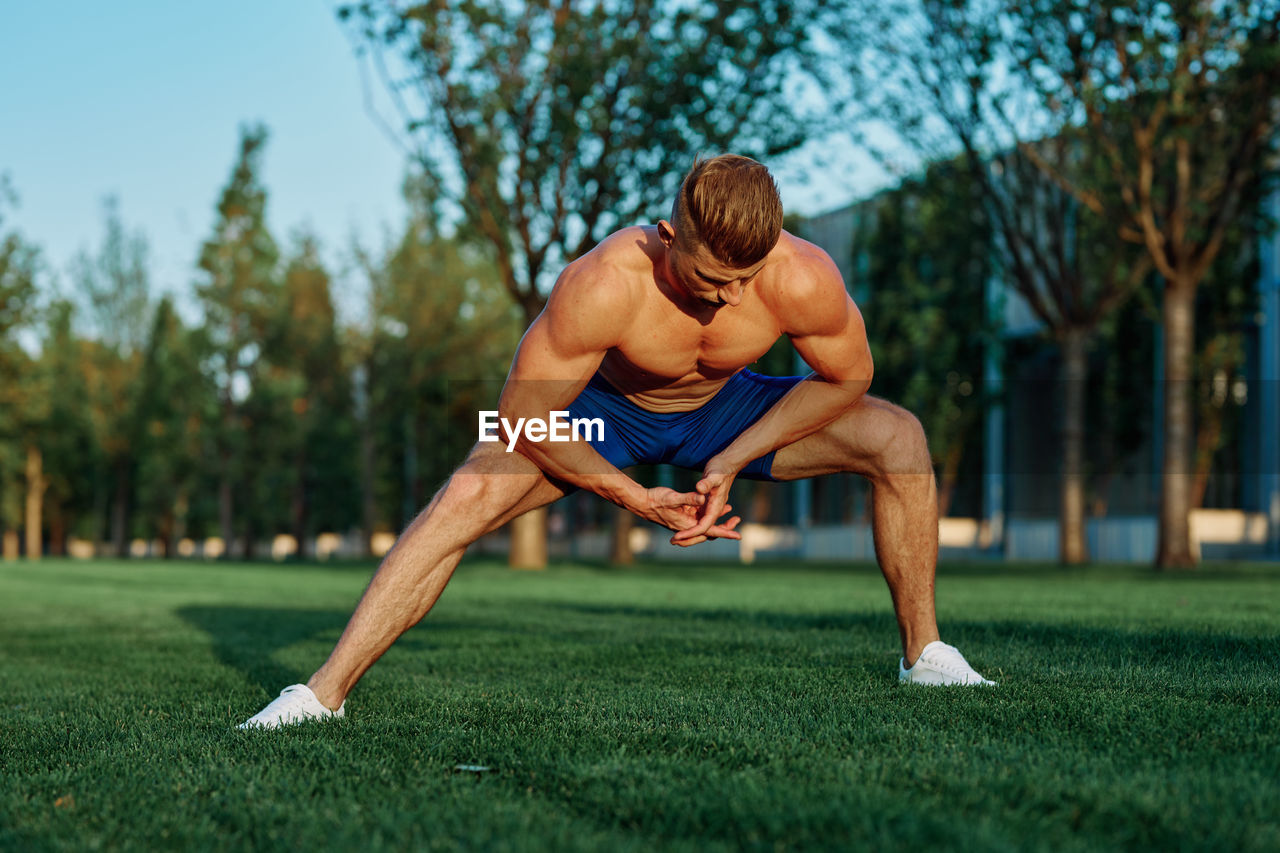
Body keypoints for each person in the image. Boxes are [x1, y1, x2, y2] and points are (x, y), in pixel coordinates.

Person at [239, 154, 994, 729]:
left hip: (726, 411)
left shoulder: (800, 277)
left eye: (746, 278)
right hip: (605, 412)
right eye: (711, 277)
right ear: (670, 238)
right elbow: (519, 416)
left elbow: (848, 376)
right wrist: (628, 493)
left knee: (900, 437)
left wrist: (732, 456)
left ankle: (925, 655)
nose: (731, 298)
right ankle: (320, 694)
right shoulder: (603, 283)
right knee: (468, 489)